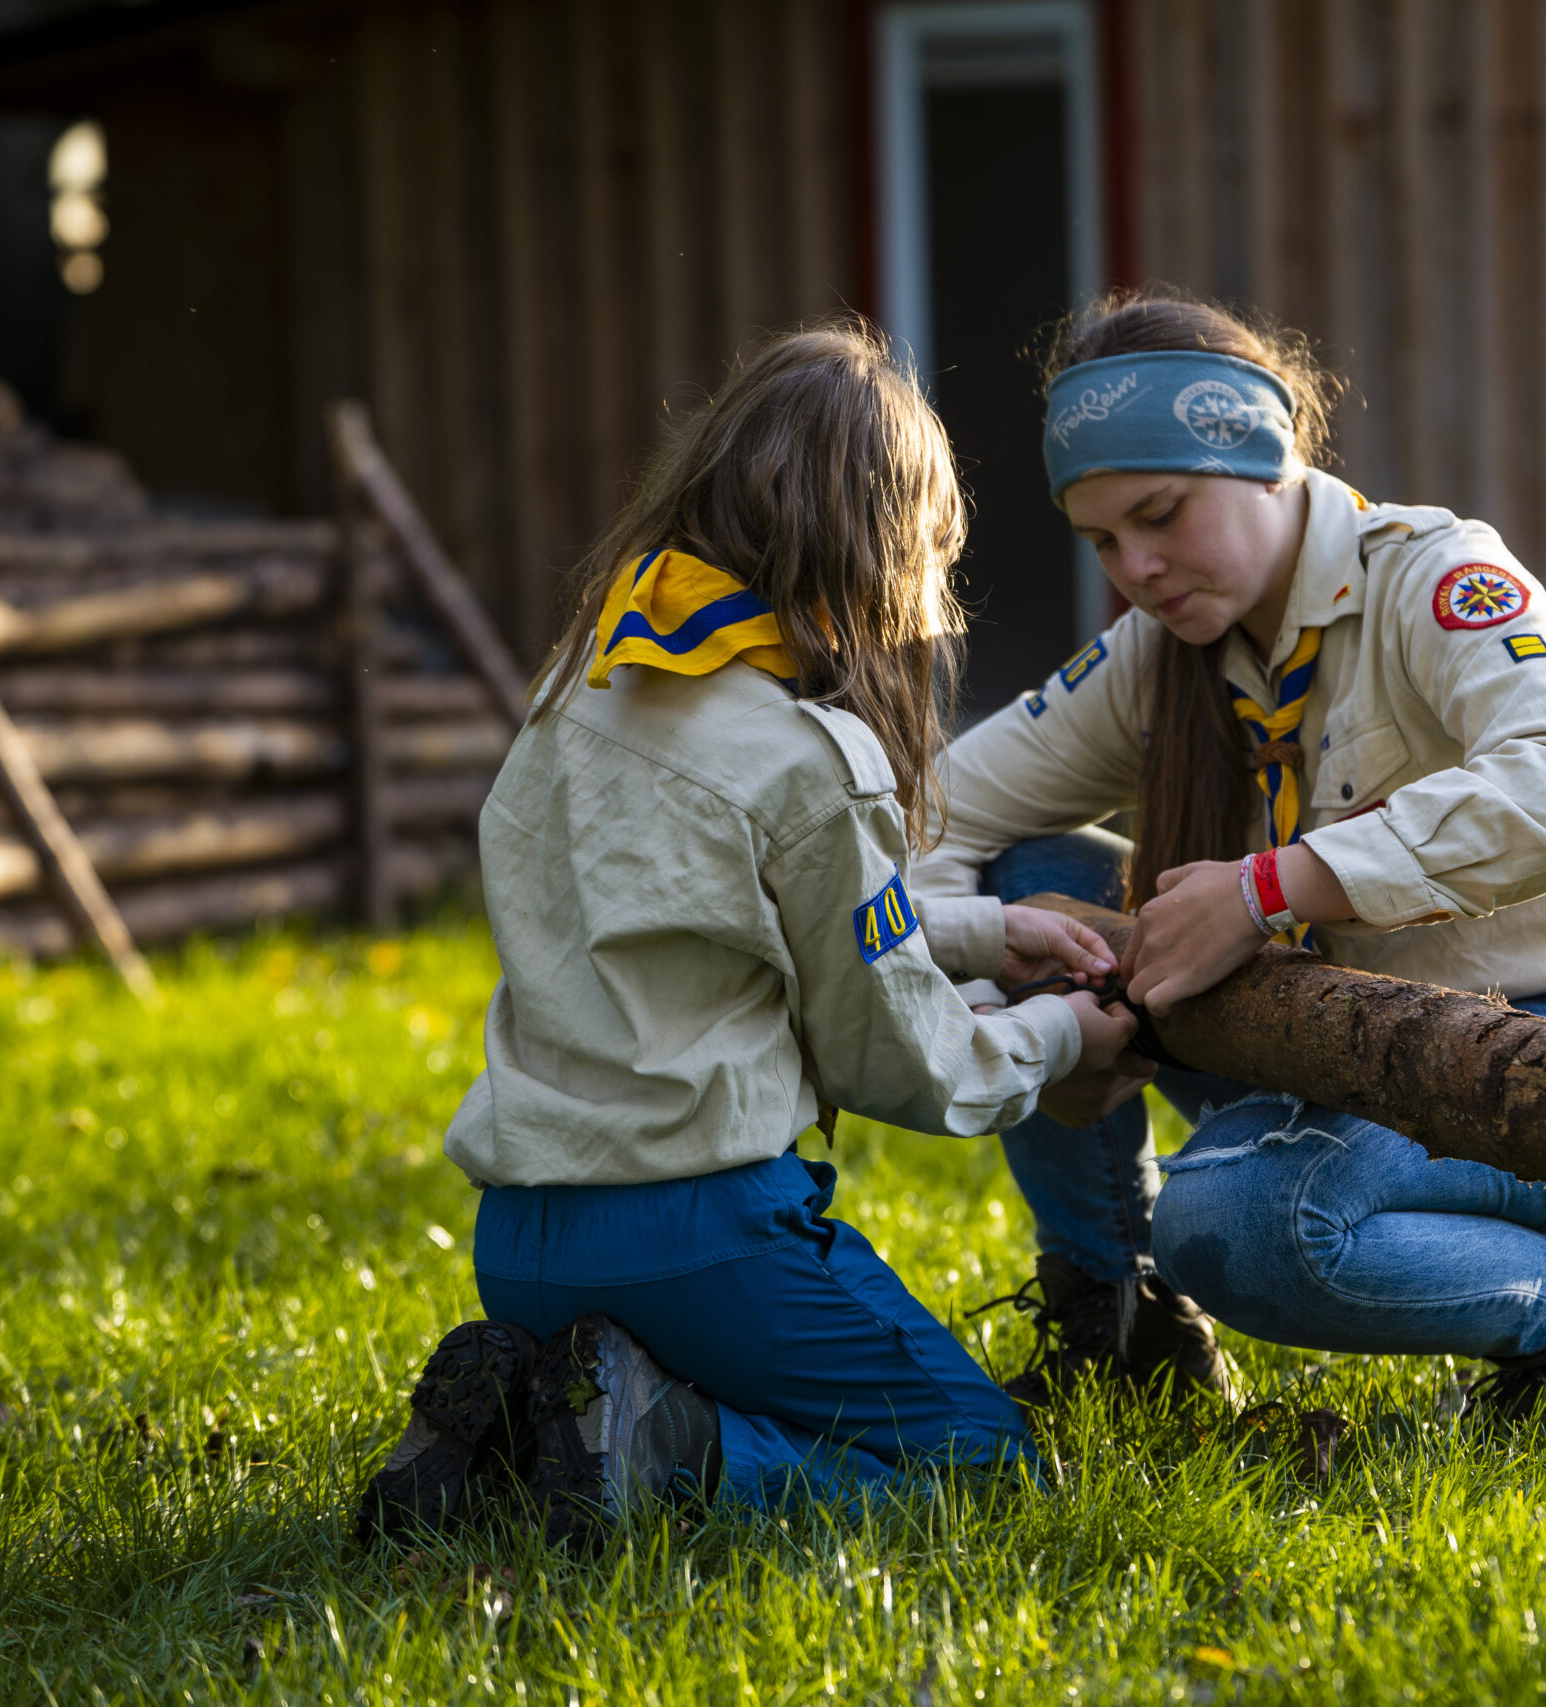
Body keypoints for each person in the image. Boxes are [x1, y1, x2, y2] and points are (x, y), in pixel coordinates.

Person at [354, 321, 1145, 1549]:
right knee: (984, 1467)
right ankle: (672, 1455)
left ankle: (525, 1431)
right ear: (881, 546)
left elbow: (723, 923)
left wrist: (991, 932)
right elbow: (903, 1060)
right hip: (700, 1234)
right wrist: (1055, 1034)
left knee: (703, 1396)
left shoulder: (583, 686)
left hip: (519, 1237)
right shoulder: (805, 755)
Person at [922, 289, 1546, 1416]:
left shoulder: (1430, 576)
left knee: (1234, 1222)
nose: (1137, 568)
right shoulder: (1154, 655)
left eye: (1162, 514)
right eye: (1103, 539)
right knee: (1034, 884)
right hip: (1372, 1043)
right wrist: (997, 1017)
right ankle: (1117, 1317)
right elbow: (936, 812)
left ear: (1266, 457)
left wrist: (1268, 887)